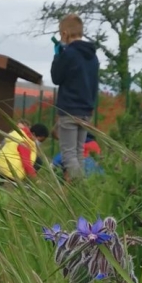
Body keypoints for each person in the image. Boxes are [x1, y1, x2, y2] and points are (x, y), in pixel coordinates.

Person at [50, 14, 100, 181]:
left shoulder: (68, 54)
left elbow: (56, 78)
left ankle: (82, 191)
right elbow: (94, 83)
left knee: (68, 155)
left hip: (69, 110)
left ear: (64, 33)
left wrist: (57, 55)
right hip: (86, 110)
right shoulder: (93, 56)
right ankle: (80, 189)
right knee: (79, 153)